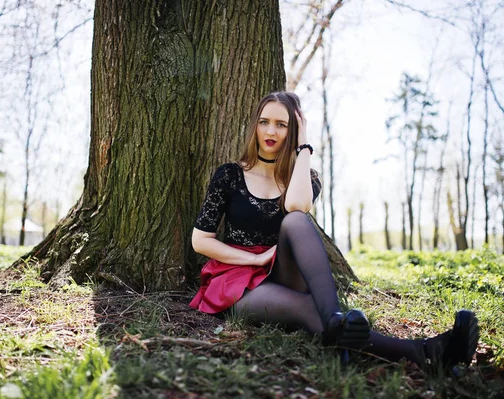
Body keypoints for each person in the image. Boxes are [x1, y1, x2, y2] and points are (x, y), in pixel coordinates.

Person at [189, 91, 479, 368]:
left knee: (296, 221)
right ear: (255, 126)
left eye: (282, 125)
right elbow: (201, 241)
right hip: (237, 283)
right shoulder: (230, 175)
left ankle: (334, 320)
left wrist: (303, 147)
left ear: (293, 131)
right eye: (264, 122)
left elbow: (296, 207)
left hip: (281, 270)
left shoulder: (305, 178)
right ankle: (427, 351)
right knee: (306, 309)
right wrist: (254, 259)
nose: (271, 132)